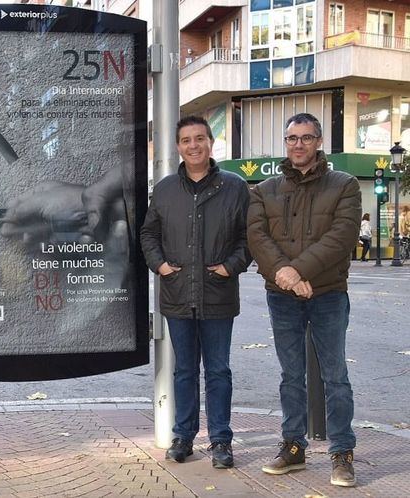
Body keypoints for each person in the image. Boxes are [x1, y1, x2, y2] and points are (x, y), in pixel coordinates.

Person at [247, 113, 361, 487]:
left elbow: (342, 236)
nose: (298, 145)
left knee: (336, 377)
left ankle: (342, 452)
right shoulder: (264, 190)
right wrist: (287, 276)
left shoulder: (344, 185)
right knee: (290, 376)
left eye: (306, 138)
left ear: (319, 141)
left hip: (328, 293)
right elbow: (258, 239)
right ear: (286, 143)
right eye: (292, 138)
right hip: (282, 296)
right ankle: (293, 447)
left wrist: (299, 272)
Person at [140, 116, 251, 469]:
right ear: (177, 147)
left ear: (211, 142)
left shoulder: (234, 186)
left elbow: (249, 237)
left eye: (199, 138)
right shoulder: (166, 188)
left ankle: (221, 440)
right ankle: (183, 437)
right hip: (177, 294)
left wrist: (229, 266)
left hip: (218, 293)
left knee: (218, 370)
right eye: (186, 140)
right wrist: (160, 265)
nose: (193, 145)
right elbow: (148, 234)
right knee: (184, 370)